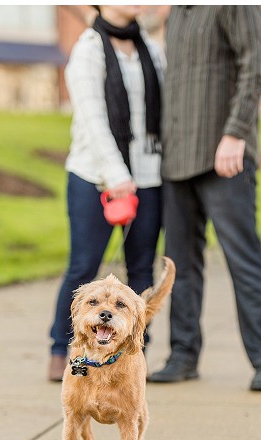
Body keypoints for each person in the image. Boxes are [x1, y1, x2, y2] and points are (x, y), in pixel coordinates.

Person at [148, 6, 261, 391]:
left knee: (243, 259)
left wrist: (236, 132)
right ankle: (183, 355)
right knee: (179, 266)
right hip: (176, 162)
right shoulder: (176, 14)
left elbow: (255, 67)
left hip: (225, 157)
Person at [48, 5, 165, 382]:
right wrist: (116, 173)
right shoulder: (88, 48)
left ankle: (133, 360)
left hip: (148, 175)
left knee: (141, 271)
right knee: (83, 268)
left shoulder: (147, 44)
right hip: (94, 177)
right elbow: (94, 120)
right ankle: (62, 352)